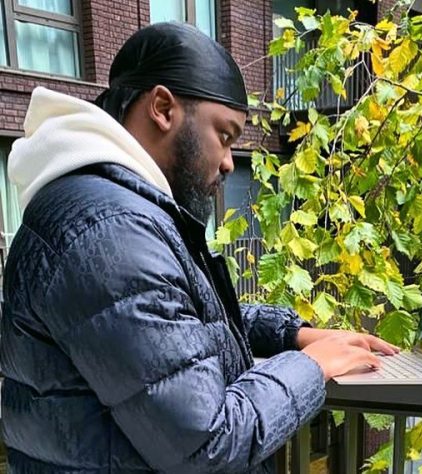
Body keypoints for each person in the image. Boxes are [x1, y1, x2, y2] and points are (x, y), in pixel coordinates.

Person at [0, 23, 397, 473]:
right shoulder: (110, 227)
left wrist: (291, 333)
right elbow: (207, 441)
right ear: (163, 108)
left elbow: (175, 318)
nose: (229, 162)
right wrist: (310, 367)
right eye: (225, 136)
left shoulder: (105, 205)